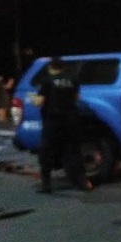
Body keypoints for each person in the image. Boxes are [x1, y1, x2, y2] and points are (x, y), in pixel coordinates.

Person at [30, 58, 92, 194]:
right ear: (63, 68)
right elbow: (76, 97)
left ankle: (46, 185)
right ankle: (83, 183)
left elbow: (39, 102)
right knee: (74, 151)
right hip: (71, 120)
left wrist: (32, 98)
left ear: (50, 67)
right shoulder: (73, 80)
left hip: (53, 121)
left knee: (46, 152)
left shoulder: (47, 81)